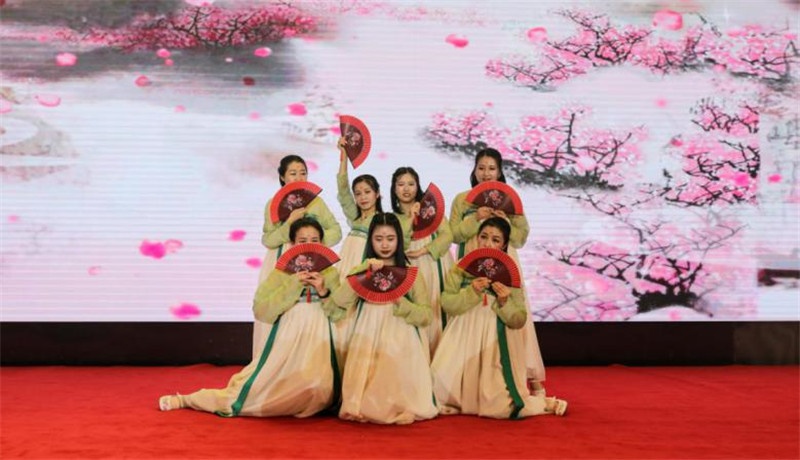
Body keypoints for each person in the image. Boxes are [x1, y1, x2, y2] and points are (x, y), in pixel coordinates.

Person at [158, 218, 343, 417]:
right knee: (261, 391)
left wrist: (323, 291)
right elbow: (261, 309)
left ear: (322, 243)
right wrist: (293, 284)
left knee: (319, 387)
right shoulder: (282, 273)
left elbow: (338, 312)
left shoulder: (330, 272)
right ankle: (188, 399)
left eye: (315, 240)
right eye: (302, 241)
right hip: (290, 333)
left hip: (320, 334)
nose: (309, 245)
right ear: (292, 244)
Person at [431, 217, 567, 419]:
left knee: (499, 406)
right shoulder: (461, 267)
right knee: (438, 393)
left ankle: (543, 403)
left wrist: (504, 302)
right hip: (463, 335)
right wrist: (471, 292)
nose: (487, 243)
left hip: (495, 340)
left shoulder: (510, 272)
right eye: (483, 237)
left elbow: (519, 319)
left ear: (504, 245)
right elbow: (447, 303)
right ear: (477, 238)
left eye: (495, 240)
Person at [449, 147, 546, 396]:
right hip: (471, 259)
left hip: (504, 261)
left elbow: (521, 238)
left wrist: (507, 222)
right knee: (470, 312)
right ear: (474, 170)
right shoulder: (462, 199)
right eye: (481, 168)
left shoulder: (509, 200)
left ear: (500, 172)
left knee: (510, 308)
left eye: (492, 168)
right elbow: (454, 234)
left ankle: (529, 377)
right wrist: (475, 219)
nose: (486, 173)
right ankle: (470, 378)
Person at [328, 213, 437, 424]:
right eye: (378, 239)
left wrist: (400, 302)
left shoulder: (411, 273)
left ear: (399, 240)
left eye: (390, 238)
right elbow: (339, 302)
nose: (385, 245)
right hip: (367, 330)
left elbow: (426, 316)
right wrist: (363, 273)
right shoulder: (362, 270)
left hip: (401, 333)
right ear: (370, 240)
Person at [254, 154, 342, 357]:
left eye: (303, 173)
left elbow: (336, 231)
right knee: (280, 303)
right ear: (282, 177)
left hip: (313, 259)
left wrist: (312, 244)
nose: (299, 177)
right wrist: (289, 224)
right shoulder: (272, 204)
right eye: (293, 173)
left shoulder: (317, 203)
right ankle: (276, 358)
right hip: (282, 257)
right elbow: (268, 239)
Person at [390, 166, 454, 354]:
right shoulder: (393, 218)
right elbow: (398, 243)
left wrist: (424, 250)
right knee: (419, 305)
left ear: (418, 186)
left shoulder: (432, 209)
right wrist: (411, 218)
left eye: (411, 184)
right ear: (394, 189)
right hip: (411, 266)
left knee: (438, 304)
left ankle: (441, 355)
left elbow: (447, 235)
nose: (406, 189)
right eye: (401, 184)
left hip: (436, 262)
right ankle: (421, 354)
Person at [334, 138, 383, 370]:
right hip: (346, 263)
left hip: (364, 265)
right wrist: (344, 156)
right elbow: (342, 190)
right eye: (358, 193)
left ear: (377, 194)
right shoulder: (355, 218)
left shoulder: (382, 220)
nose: (362, 197)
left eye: (367, 192)